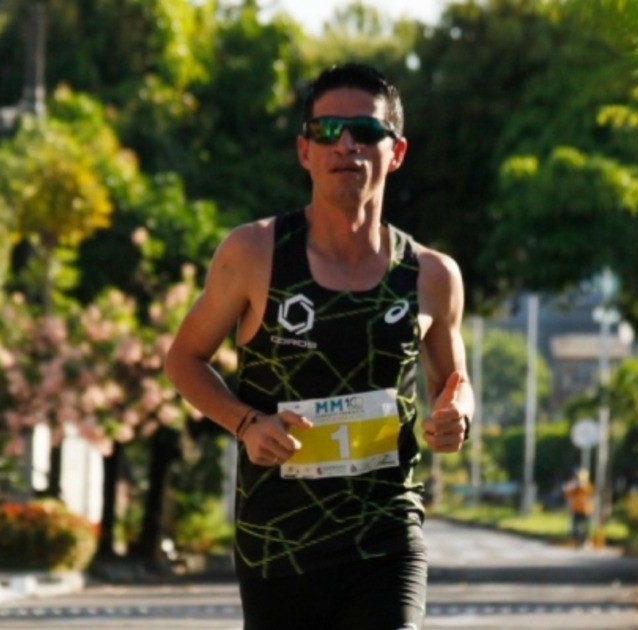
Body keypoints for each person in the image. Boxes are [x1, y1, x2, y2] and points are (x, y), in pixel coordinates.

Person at [165, 63, 474, 630]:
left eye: (366, 131)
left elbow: (453, 386)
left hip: (386, 534)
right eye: (328, 130)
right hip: (279, 539)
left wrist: (457, 418)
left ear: (396, 152)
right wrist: (246, 424)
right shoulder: (254, 253)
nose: (346, 145)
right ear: (304, 150)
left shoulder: (431, 275)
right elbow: (184, 359)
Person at [562, 468, 594, 547]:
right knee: (575, 527)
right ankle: (578, 541)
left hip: (586, 510)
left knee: (586, 527)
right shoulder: (574, 487)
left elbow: (588, 491)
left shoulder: (587, 486)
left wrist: (579, 486)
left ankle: (585, 541)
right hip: (577, 509)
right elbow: (568, 494)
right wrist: (568, 488)